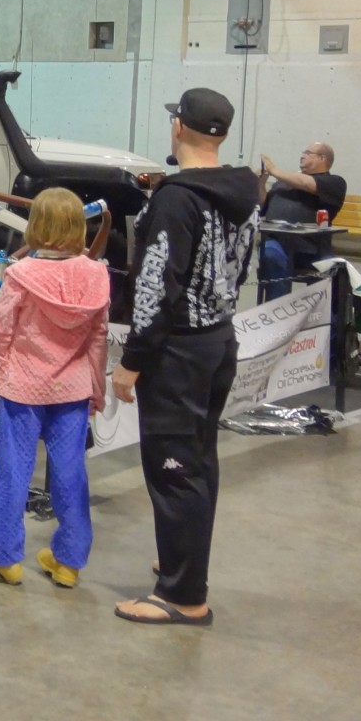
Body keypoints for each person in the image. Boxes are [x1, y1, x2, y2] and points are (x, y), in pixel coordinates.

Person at [110, 89, 260, 626]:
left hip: (178, 349)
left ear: (178, 128)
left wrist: (132, 360)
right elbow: (241, 266)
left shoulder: (176, 198)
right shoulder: (245, 191)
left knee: (173, 467)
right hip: (218, 338)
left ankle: (183, 595)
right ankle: (182, 558)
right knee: (197, 460)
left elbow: (157, 285)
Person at [0, 187, 110, 588]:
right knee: (70, 472)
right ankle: (69, 562)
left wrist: (1, 375)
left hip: (22, 388)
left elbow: (1, 331)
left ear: (36, 224)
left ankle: (6, 558)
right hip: (73, 389)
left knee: (13, 470)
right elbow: (99, 339)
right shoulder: (97, 275)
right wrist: (97, 388)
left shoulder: (20, 274)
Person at [256, 142, 347, 301]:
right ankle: (278, 308)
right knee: (271, 256)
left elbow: (306, 183)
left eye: (307, 152)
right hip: (277, 242)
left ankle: (322, 313)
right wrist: (261, 183)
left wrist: (274, 170)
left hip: (312, 247)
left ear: (322, 158)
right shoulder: (283, 183)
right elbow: (263, 205)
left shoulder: (334, 182)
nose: (302, 155)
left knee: (330, 269)